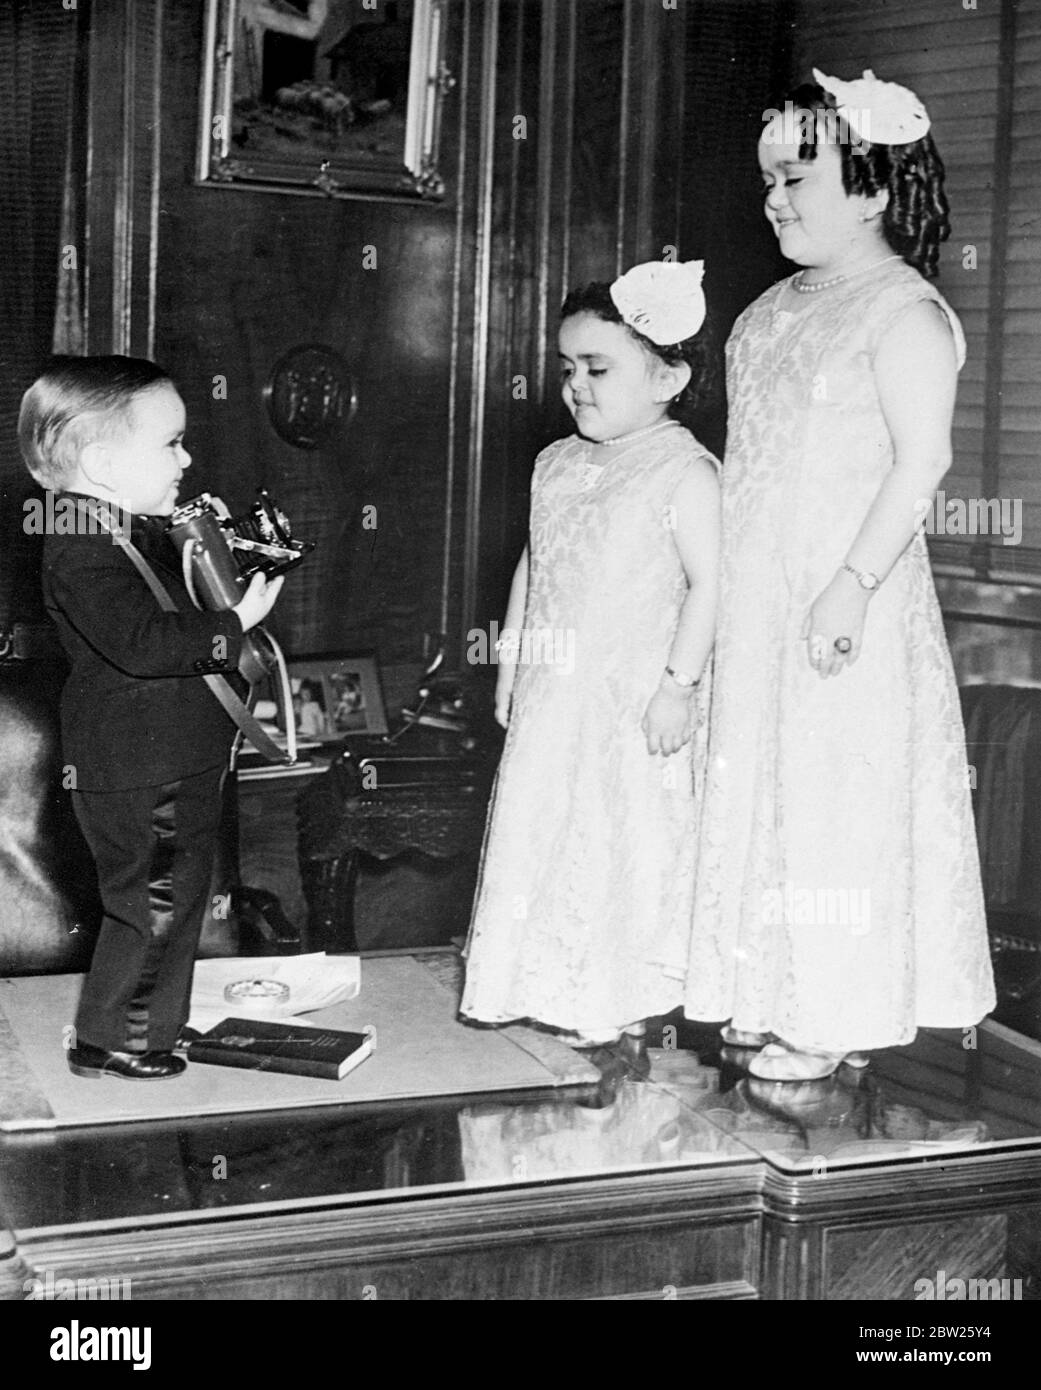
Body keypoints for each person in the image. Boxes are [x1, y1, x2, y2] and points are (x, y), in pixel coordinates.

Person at [686, 70, 996, 1081]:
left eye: (798, 175)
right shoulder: (765, 315)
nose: (773, 196)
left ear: (871, 188)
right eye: (767, 177)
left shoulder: (905, 312)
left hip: (844, 602)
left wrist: (852, 582)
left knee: (829, 804)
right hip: (761, 598)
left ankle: (831, 1012)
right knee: (761, 787)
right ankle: (767, 991)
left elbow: (923, 463)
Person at [461, 260, 721, 1054]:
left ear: (668, 375)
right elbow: (535, 564)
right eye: (567, 367)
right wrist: (512, 663)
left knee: (625, 839)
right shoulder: (556, 461)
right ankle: (546, 983)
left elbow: (712, 585)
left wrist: (677, 687)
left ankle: (621, 996)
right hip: (556, 692)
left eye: (598, 369)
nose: (576, 385)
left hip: (633, 699)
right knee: (546, 828)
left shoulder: (685, 470)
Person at [19, 356, 283, 1080]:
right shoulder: (83, 548)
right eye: (170, 442)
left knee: (165, 900)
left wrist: (216, 560)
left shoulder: (114, 531)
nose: (187, 457)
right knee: (158, 904)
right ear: (102, 463)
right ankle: (130, 1039)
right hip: (144, 766)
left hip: (161, 758)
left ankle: (134, 1027)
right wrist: (233, 623)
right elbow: (143, 645)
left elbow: (162, 619)